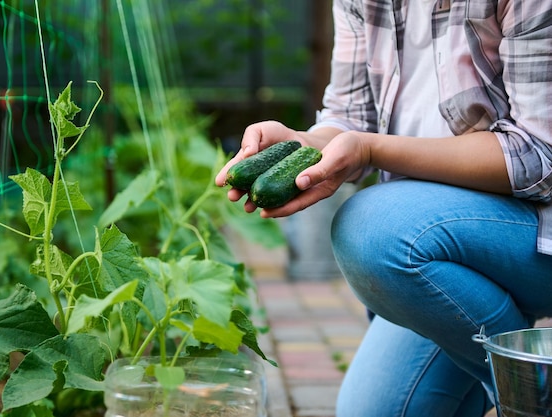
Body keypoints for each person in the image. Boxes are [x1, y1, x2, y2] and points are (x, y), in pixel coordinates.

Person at [215, 0, 552, 416]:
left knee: (372, 229)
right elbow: (350, 117)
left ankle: (533, 397)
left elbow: (538, 155)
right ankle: (519, 368)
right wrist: (304, 144)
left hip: (534, 230)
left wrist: (371, 149)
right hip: (438, 237)